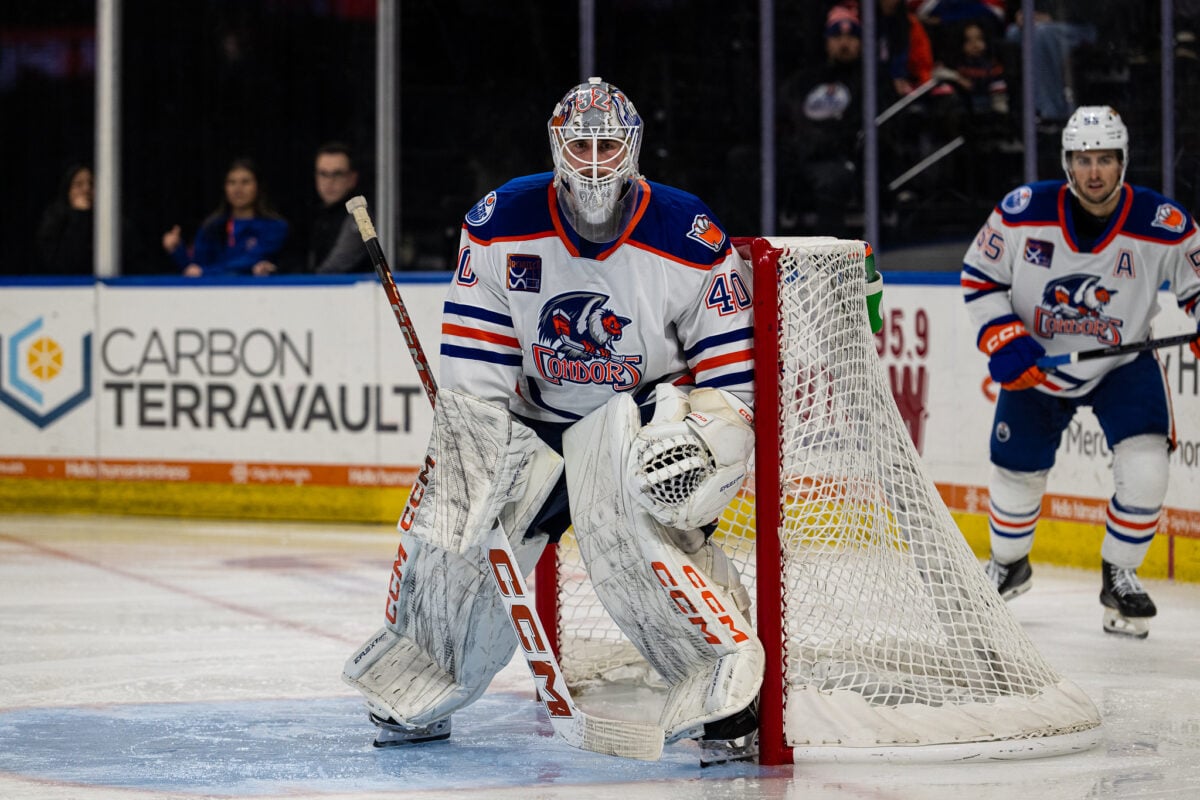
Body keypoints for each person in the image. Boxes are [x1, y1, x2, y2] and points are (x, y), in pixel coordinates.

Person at [342, 77, 762, 766]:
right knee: (456, 525)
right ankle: (427, 666)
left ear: (633, 149)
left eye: (607, 144)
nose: (595, 161)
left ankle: (719, 685)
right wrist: (474, 450)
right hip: (536, 419)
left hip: (636, 423)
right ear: (556, 146)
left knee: (638, 540)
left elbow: (733, 373)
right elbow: (477, 366)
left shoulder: (688, 234)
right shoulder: (500, 220)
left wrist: (703, 444)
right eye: (581, 144)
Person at [961, 106, 1200, 639]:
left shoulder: (1161, 224)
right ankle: (1009, 566)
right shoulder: (1023, 212)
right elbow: (980, 276)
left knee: (1146, 469)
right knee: (1015, 478)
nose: (1096, 172)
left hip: (1122, 363)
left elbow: (1196, 282)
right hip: (1037, 367)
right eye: (1085, 159)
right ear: (1068, 164)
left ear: (1124, 162)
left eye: (1107, 160)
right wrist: (1004, 336)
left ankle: (1120, 575)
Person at [777, 5, 896, 235]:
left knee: (832, 180)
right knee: (745, 162)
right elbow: (787, 115)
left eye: (851, 36)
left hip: (842, 157)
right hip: (802, 153)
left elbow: (874, 125)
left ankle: (828, 260)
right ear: (826, 41)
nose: (844, 43)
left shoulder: (872, 80)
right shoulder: (805, 79)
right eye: (837, 36)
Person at [162, 158, 288, 277]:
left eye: (245, 182)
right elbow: (194, 268)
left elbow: (250, 261)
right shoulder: (212, 226)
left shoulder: (274, 227)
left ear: (258, 186)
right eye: (232, 182)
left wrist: (207, 272)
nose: (238, 189)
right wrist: (176, 250)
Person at [301, 142, 370, 273]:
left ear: (352, 178)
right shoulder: (313, 215)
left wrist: (308, 285)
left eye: (337, 174)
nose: (329, 181)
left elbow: (337, 265)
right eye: (323, 174)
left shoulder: (360, 213)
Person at [35, 164, 95, 275]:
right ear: (68, 190)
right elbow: (62, 262)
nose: (86, 189)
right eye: (79, 184)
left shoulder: (110, 221)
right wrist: (79, 216)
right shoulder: (55, 218)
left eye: (91, 184)